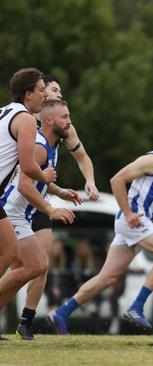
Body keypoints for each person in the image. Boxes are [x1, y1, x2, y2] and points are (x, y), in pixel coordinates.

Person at [49, 120, 153, 334]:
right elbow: (117, 179)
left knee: (106, 278)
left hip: (138, 223)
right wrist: (127, 212)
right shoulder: (152, 160)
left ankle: (62, 312)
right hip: (132, 219)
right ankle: (137, 306)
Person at [16, 74, 100, 340]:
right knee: (19, 264)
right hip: (15, 205)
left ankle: (25, 322)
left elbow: (82, 157)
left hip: (36, 205)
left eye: (56, 92)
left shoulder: (62, 127)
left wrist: (87, 183)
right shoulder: (29, 121)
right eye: (50, 90)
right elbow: (24, 181)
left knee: (41, 264)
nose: (53, 94)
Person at [0, 99, 79, 315]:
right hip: (11, 212)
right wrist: (50, 209)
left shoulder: (51, 146)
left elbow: (38, 179)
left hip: (19, 215)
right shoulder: (40, 147)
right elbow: (25, 186)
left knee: (26, 269)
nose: (69, 123)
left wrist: (59, 191)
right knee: (35, 266)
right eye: (65, 117)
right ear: (49, 120)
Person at [0, 68, 57, 296]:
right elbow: (28, 166)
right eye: (41, 90)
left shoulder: (4, 111)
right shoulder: (25, 119)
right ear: (27, 93)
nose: (45, 95)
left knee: (13, 252)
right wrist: (45, 177)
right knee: (10, 252)